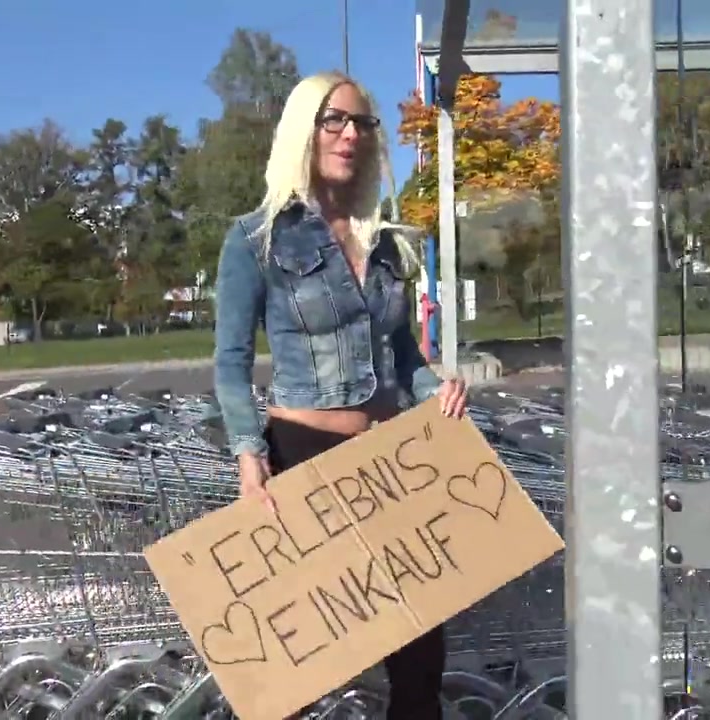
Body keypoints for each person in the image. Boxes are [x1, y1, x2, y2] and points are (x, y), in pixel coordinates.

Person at [211, 71, 469, 719]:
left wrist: (438, 390)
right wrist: (249, 456)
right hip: (302, 456)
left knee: (419, 652)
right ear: (304, 131)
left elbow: (403, 354)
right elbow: (231, 362)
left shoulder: (384, 241)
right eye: (334, 120)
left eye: (361, 123)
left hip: (387, 461)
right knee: (299, 663)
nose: (349, 135)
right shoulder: (255, 240)